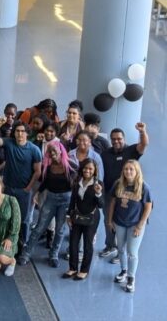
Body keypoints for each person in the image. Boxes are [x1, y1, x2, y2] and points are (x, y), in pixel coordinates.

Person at [0, 118, 42, 255]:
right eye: (17, 131)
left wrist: (28, 188)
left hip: (23, 190)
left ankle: (22, 246)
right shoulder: (9, 143)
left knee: (23, 220)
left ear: (27, 133)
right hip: (8, 189)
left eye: (22, 131)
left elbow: (38, 172)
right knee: (7, 217)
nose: (19, 134)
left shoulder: (34, 149)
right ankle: (7, 247)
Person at [19, 141, 75, 268]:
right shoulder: (48, 167)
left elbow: (78, 180)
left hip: (66, 200)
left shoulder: (70, 165)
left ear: (61, 151)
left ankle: (53, 254)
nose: (52, 153)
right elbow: (45, 182)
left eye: (55, 150)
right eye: (50, 151)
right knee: (39, 227)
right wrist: (37, 193)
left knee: (60, 230)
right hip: (51, 198)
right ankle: (26, 254)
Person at [99, 122, 148, 261]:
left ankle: (122, 253)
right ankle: (110, 246)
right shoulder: (105, 153)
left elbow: (144, 144)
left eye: (119, 138)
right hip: (109, 194)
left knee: (123, 223)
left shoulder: (131, 151)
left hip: (127, 195)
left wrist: (142, 131)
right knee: (108, 221)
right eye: (113, 139)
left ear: (124, 139)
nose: (116, 141)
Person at [107, 160, 152, 293]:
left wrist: (140, 225)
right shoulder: (118, 184)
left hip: (135, 224)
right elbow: (113, 203)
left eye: (131, 169)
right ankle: (124, 271)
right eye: (126, 169)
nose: (128, 172)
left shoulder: (144, 187)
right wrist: (109, 221)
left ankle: (131, 278)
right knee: (121, 249)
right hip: (119, 222)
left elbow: (148, 207)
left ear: (137, 171)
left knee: (132, 252)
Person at [63, 159, 104, 281]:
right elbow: (73, 200)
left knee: (87, 244)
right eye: (85, 168)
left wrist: (98, 193)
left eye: (90, 169)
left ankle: (84, 270)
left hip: (91, 218)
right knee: (73, 242)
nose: (87, 170)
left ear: (95, 171)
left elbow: (101, 205)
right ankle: (73, 268)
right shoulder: (77, 181)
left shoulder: (98, 184)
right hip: (77, 216)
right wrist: (68, 216)